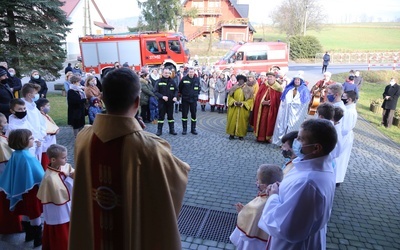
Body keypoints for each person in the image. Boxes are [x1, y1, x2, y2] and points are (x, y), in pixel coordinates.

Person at [68, 67, 190, 250]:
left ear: (101, 98)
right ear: (137, 102)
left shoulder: (84, 138)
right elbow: (173, 186)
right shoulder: (150, 147)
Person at [258, 119, 337, 249]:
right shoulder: (317, 166)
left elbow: (283, 227)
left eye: (300, 139)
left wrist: (273, 195)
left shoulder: (307, 183)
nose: (296, 142)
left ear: (316, 148)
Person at [0, 129, 45, 248]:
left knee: (25, 211)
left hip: (21, 190)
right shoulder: (27, 157)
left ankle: (29, 235)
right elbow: (40, 176)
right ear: (23, 141)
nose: (33, 140)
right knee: (35, 213)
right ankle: (38, 239)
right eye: (31, 138)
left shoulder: (16, 154)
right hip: (31, 191)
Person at [230, 164, 283, 250]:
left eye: (258, 180)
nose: (256, 182)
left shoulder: (258, 206)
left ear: (264, 186)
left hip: (253, 243)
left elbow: (251, 218)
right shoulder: (279, 196)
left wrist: (242, 212)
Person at [37, 144, 74, 250]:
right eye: (63, 158)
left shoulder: (65, 167)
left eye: (66, 157)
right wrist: (69, 179)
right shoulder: (49, 177)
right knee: (60, 229)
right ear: (53, 159)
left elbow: (72, 173)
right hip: (57, 208)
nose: (66, 159)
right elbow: (62, 191)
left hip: (66, 204)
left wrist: (71, 175)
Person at [0, 112, 23, 234]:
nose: (6, 124)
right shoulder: (1, 142)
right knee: (6, 205)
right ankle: (11, 227)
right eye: (4, 123)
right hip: (4, 181)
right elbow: (5, 163)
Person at [272, 74, 311, 146]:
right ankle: (281, 142)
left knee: (293, 126)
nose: (296, 81)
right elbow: (283, 100)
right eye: (295, 79)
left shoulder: (304, 90)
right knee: (282, 125)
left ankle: (291, 143)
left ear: (301, 81)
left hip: (296, 113)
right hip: (286, 110)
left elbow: (305, 103)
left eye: (298, 80)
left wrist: (294, 104)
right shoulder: (289, 88)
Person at [252, 72, 283, 143]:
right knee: (261, 122)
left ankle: (267, 138)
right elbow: (258, 97)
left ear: (275, 78)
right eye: (268, 77)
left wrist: (271, 103)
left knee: (269, 123)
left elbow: (278, 101)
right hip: (262, 109)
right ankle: (259, 137)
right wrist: (262, 102)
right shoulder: (264, 85)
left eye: (271, 77)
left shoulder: (278, 88)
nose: (270, 78)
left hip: (271, 110)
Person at [21, 83, 47, 161]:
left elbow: (41, 121)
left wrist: (42, 134)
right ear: (29, 95)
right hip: (31, 140)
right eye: (35, 93)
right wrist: (35, 139)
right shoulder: (23, 108)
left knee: (38, 161)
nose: (37, 95)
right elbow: (26, 125)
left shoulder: (33, 105)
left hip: (39, 139)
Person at [226, 74, 254, 140]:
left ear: (244, 81)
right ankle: (231, 134)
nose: (240, 81)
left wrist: (243, 103)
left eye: (242, 80)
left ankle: (241, 135)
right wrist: (234, 102)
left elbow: (250, 99)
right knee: (232, 121)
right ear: (237, 80)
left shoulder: (248, 89)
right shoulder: (234, 87)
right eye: (239, 80)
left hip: (243, 109)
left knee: (243, 122)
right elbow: (230, 97)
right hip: (234, 108)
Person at [36, 98, 59, 170]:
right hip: (45, 144)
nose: (49, 107)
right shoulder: (40, 116)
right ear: (42, 108)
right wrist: (54, 130)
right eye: (47, 105)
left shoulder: (45, 115)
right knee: (45, 161)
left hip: (50, 142)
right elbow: (47, 128)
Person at [154, 68, 179, 136]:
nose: (167, 74)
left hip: (170, 102)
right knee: (161, 117)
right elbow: (155, 92)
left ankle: (172, 130)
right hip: (162, 103)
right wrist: (162, 97)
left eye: (168, 73)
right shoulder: (159, 81)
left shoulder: (172, 81)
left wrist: (175, 96)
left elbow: (176, 90)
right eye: (165, 73)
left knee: (170, 117)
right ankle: (159, 130)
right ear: (162, 73)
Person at [179, 68, 200, 135]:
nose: (191, 73)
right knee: (184, 115)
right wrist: (184, 94)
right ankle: (184, 129)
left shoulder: (197, 79)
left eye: (192, 72)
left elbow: (199, 88)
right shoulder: (184, 79)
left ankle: (193, 129)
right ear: (188, 72)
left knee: (194, 115)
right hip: (185, 100)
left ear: (194, 72)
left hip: (193, 100)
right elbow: (180, 88)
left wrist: (196, 95)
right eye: (190, 72)